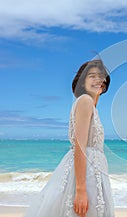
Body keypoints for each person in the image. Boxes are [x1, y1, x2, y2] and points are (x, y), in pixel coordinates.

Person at [23, 59, 115, 217]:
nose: (98, 80)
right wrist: (80, 190)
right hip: (85, 173)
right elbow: (80, 145)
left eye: (101, 77)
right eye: (92, 76)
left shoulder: (90, 106)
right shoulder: (85, 101)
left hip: (93, 172)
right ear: (81, 82)